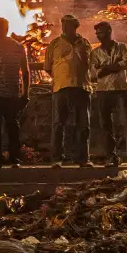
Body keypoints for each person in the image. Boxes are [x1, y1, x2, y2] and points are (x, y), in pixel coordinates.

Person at [0, 17, 29, 167]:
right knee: (12, 127)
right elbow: (26, 72)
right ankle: (13, 158)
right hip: (10, 94)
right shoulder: (18, 46)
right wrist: (25, 93)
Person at [44, 15, 91, 166]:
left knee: (83, 124)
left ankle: (82, 158)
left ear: (75, 27)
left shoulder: (84, 43)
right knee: (58, 124)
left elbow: (90, 64)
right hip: (61, 88)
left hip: (81, 87)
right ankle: (57, 159)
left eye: (68, 25)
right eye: (63, 25)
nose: (65, 28)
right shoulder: (54, 44)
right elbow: (48, 67)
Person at [88, 21, 127, 167]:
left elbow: (125, 65)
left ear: (109, 31)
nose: (98, 35)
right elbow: (93, 74)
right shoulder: (95, 52)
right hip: (102, 91)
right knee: (105, 125)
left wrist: (104, 68)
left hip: (120, 89)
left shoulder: (122, 47)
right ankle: (111, 156)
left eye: (100, 32)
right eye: (97, 33)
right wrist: (112, 67)